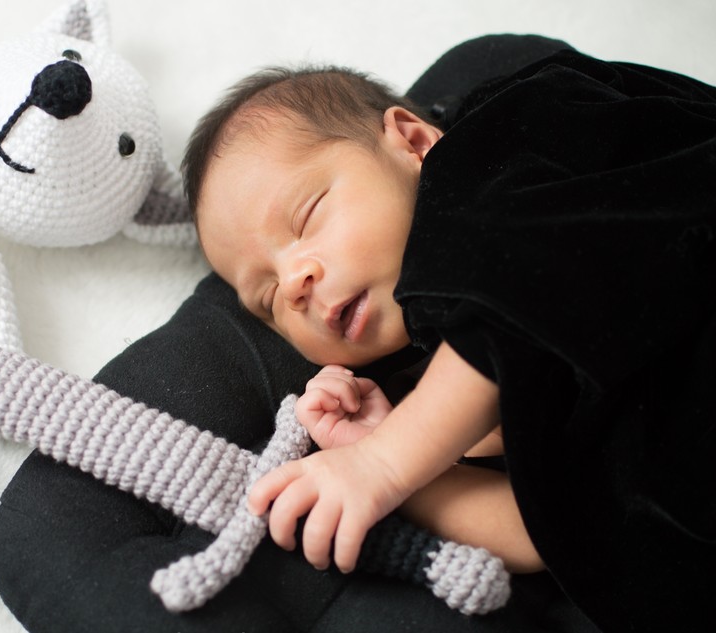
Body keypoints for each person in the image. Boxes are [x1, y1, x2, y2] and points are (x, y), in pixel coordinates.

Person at [182, 49, 716, 632]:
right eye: (267, 300)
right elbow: (561, 535)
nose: (293, 284)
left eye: (307, 216)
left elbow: (518, 292)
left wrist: (383, 463)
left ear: (412, 142)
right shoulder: (439, 391)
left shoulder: (501, 146)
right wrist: (402, 471)